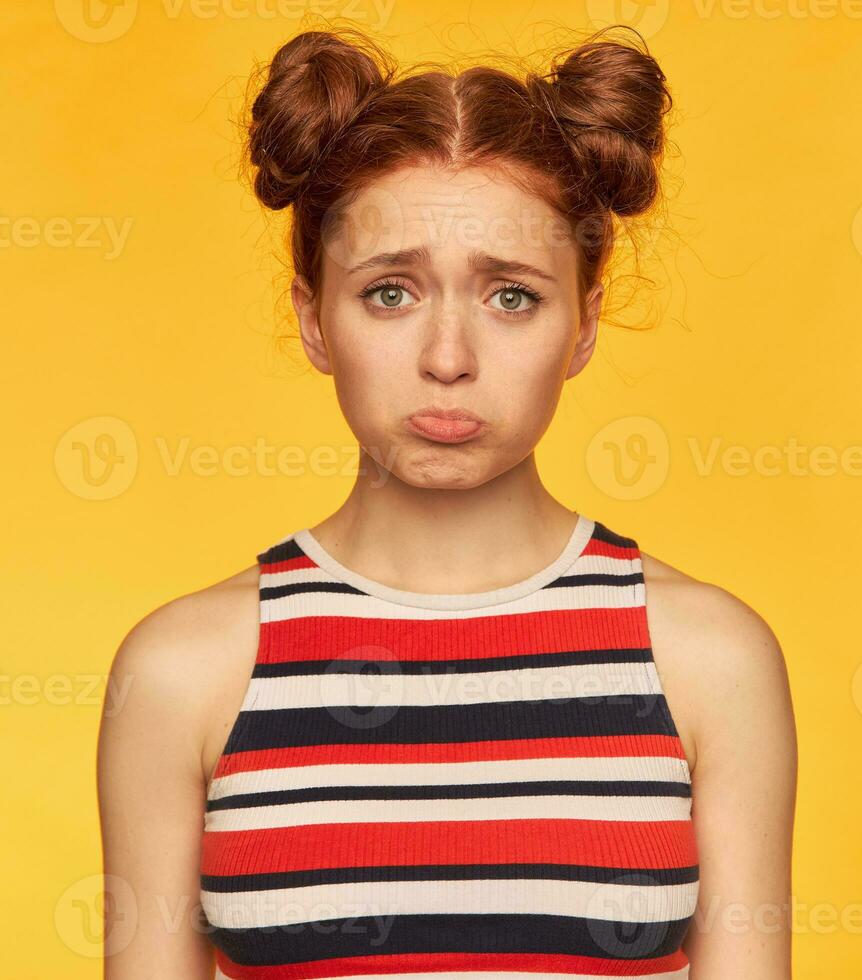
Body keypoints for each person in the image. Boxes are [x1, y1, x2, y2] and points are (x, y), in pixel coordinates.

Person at [98, 25, 797, 980]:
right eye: (390, 293)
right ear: (313, 319)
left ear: (585, 323)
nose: (448, 358)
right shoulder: (185, 672)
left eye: (512, 296)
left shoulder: (707, 660)